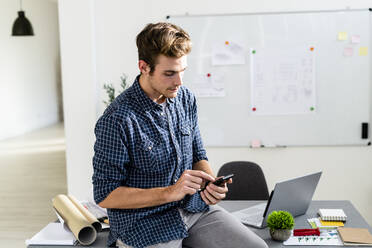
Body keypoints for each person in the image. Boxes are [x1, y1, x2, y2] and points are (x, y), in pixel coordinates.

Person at [92, 22, 268, 248]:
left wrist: (210, 184)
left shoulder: (185, 98)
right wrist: (169, 193)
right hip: (143, 224)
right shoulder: (117, 119)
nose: (179, 82)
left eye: (182, 71)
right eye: (169, 73)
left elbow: (198, 153)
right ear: (144, 67)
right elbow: (106, 194)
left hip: (193, 210)